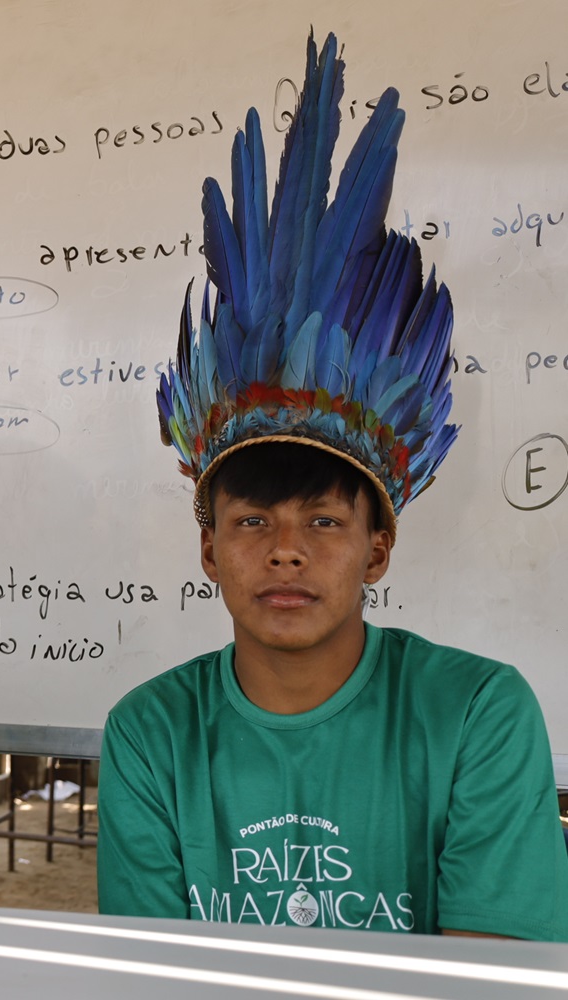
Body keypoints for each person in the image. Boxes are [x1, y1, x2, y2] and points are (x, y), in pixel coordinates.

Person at [98, 33, 568, 939]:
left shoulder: (477, 713)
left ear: (377, 548)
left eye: (323, 520)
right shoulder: (151, 732)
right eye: (252, 522)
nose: (286, 551)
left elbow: (493, 975)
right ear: (208, 550)